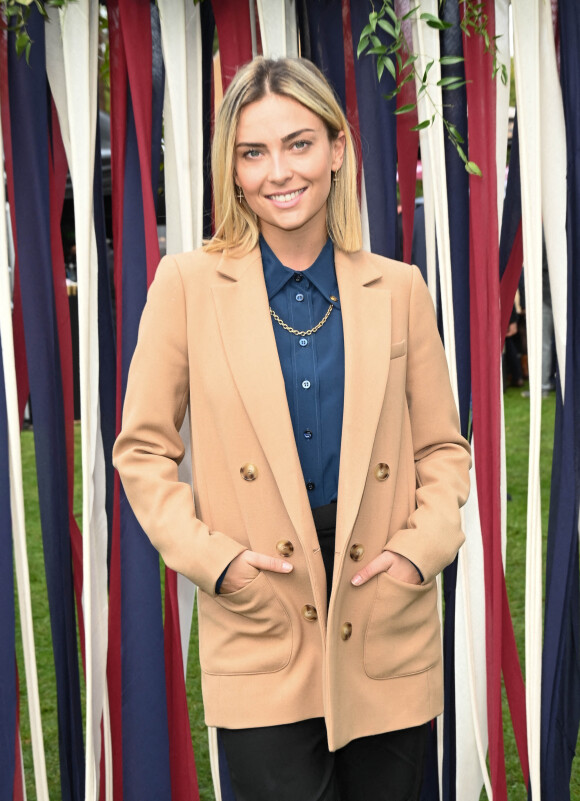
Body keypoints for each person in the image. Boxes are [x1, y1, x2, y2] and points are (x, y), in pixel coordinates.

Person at [113, 57, 471, 801]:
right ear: (233, 169)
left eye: (299, 143)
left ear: (337, 149)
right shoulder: (185, 287)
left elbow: (441, 447)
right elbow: (143, 449)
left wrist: (417, 553)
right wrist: (217, 563)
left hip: (383, 612)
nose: (279, 170)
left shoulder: (399, 289)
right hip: (261, 615)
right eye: (253, 152)